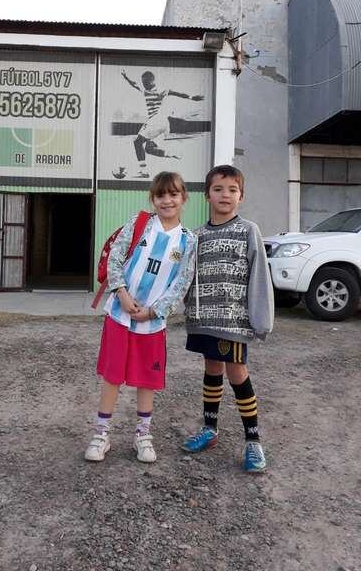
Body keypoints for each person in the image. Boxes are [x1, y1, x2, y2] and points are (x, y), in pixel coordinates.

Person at [85, 171, 196, 463]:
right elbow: (116, 258)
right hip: (119, 316)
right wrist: (121, 292)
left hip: (152, 323)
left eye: (173, 194)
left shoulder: (188, 241)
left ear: (184, 198)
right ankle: (101, 434)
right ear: (153, 198)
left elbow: (181, 283)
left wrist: (154, 311)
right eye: (161, 195)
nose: (167, 200)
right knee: (113, 375)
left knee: (146, 379)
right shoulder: (139, 224)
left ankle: (143, 435)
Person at [182, 165, 274, 473]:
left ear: (241, 196)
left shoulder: (248, 230)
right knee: (211, 368)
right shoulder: (195, 236)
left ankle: (253, 441)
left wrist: (261, 320)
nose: (225, 195)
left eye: (232, 190)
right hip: (203, 319)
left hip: (233, 321)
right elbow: (185, 278)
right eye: (218, 189)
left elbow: (259, 276)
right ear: (207, 194)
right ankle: (209, 430)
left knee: (237, 373)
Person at [121, 69, 204, 178]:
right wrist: (126, 77)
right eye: (143, 83)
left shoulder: (159, 90)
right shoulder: (148, 90)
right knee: (149, 149)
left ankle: (143, 171)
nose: (144, 85)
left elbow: (176, 93)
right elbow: (135, 84)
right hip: (163, 123)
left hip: (156, 120)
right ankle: (173, 153)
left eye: (146, 82)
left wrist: (191, 97)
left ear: (152, 81)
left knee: (137, 142)